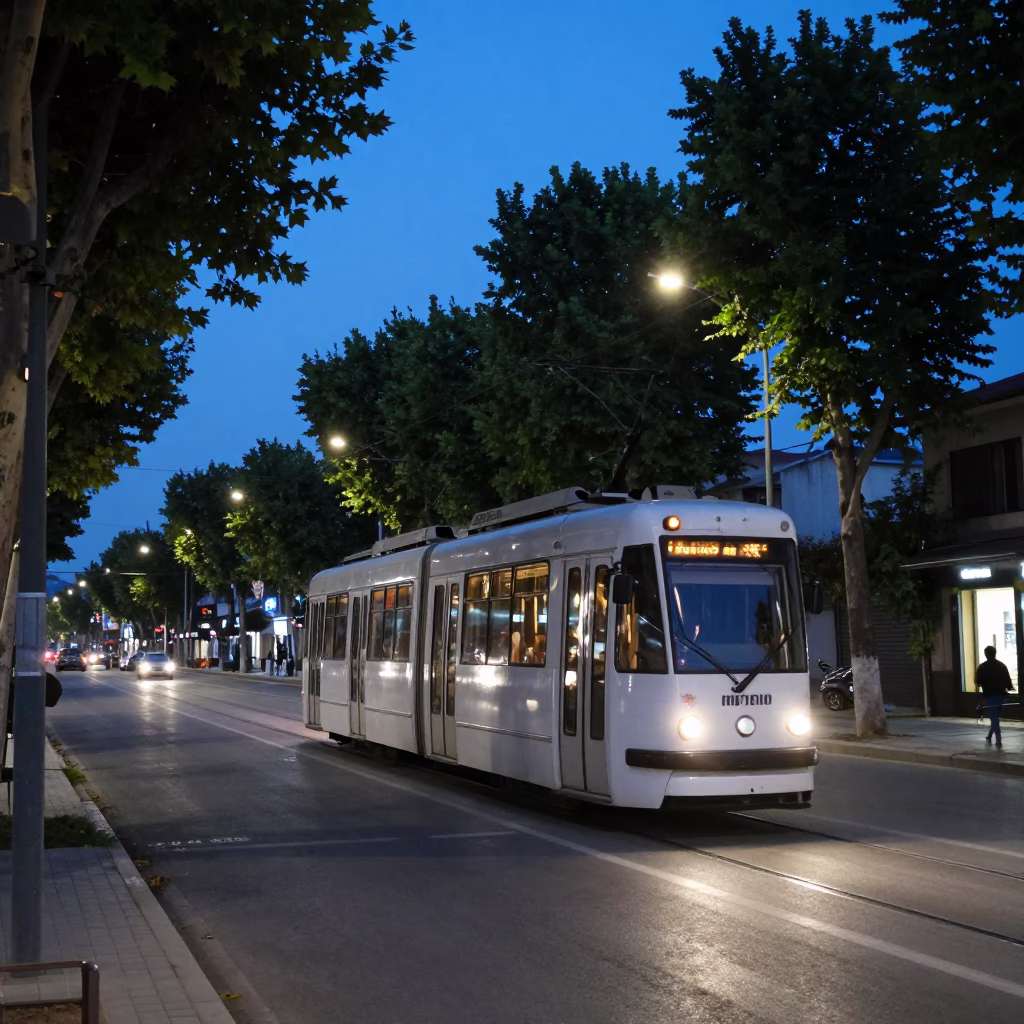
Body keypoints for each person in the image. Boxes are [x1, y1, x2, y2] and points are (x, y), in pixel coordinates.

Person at [976, 645, 1015, 747]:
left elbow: (978, 682)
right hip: (1000, 695)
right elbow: (1008, 682)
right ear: (995, 653)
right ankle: (989, 736)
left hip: (989, 695)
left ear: (985, 654)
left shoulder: (982, 667)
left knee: (994, 717)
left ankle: (998, 740)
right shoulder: (1002, 666)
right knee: (995, 716)